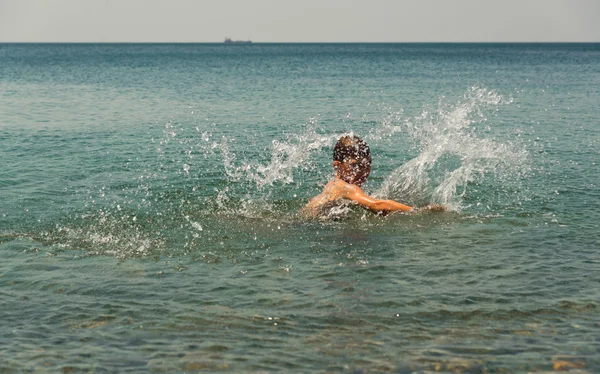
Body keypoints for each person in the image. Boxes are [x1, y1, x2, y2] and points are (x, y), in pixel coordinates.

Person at [301, 135, 443, 217]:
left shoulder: (333, 185)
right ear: (337, 166)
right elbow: (378, 205)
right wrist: (418, 211)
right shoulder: (345, 187)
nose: (363, 171)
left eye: (367, 165)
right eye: (355, 165)